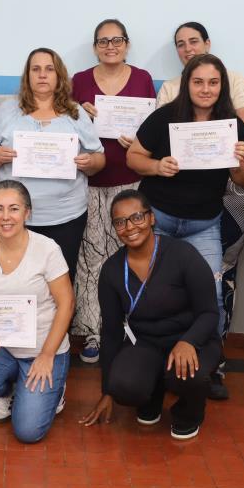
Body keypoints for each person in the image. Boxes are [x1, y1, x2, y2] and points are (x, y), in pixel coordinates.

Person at [127, 53, 244, 399]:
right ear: (187, 84)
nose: (206, 89)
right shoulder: (164, 117)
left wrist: (237, 163)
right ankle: (150, 363)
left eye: (213, 82)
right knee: (152, 292)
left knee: (211, 295)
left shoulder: (232, 125)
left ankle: (210, 367)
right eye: (198, 82)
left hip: (204, 225)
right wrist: (157, 167)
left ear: (222, 86)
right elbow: (133, 157)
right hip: (159, 220)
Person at [157, 21, 244, 398]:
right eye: (180, 44)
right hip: (172, 203)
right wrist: (161, 163)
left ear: (208, 43)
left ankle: (211, 364)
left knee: (214, 286)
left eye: (194, 41)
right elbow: (157, 145)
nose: (188, 48)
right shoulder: (170, 90)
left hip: (222, 201)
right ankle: (164, 360)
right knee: (165, 287)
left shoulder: (233, 80)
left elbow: (242, 151)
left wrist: (230, 155)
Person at [79, 190, 221, 439]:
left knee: (188, 376)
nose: (129, 227)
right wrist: (107, 391)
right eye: (120, 222)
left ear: (151, 218)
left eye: (137, 217)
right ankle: (152, 394)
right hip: (146, 343)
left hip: (192, 339)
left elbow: (209, 312)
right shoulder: (112, 270)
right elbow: (111, 332)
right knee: (123, 385)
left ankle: (189, 412)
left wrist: (189, 341)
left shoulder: (183, 254)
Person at [70, 19, 156, 365]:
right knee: (92, 259)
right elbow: (66, 128)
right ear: (95, 47)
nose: (110, 46)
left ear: (127, 44)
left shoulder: (142, 79)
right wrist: (81, 116)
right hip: (89, 184)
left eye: (116, 40)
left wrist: (137, 140)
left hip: (131, 182)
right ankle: (93, 331)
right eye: (103, 41)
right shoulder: (79, 81)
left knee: (130, 256)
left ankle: (129, 328)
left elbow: (150, 130)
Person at [0, 48, 105, 278]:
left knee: (60, 283)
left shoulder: (75, 112)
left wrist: (89, 162)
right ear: (27, 76)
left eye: (49, 69)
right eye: (35, 69)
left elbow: (99, 158)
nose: (42, 75)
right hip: (13, 218)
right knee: (15, 281)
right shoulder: (8, 109)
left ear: (59, 75)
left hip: (65, 217)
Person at [0, 180, 74, 443]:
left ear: (27, 212)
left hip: (44, 350)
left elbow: (67, 304)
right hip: (4, 350)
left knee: (27, 432)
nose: (6, 217)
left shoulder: (47, 249)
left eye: (13, 208)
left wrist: (47, 355)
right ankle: (8, 390)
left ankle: (56, 389)